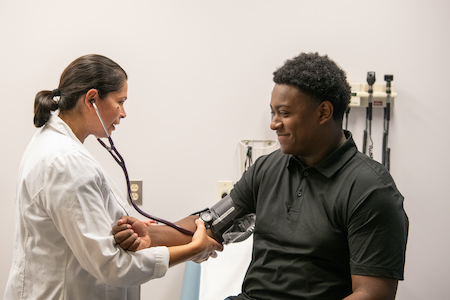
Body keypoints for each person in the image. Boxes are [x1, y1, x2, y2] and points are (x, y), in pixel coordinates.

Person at [113, 52, 409, 299]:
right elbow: (208, 226)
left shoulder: (371, 190)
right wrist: (148, 234)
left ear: (323, 112)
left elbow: (371, 295)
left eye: (284, 113)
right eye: (272, 113)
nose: (274, 124)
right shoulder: (268, 169)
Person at [4, 54, 222, 300]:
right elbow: (112, 265)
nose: (124, 113)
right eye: (120, 101)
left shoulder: (53, 145)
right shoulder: (65, 162)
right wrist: (193, 249)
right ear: (92, 99)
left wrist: (125, 226)